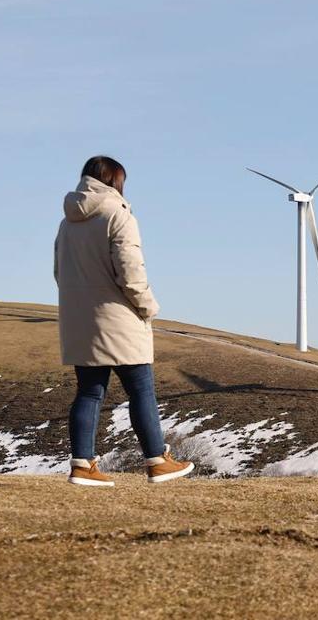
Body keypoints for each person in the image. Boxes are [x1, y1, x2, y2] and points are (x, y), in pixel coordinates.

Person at [54, 155, 194, 487]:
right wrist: (148, 306)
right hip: (119, 319)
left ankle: (82, 465)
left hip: (81, 322)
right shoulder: (118, 214)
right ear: (115, 182)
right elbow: (130, 272)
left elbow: (59, 272)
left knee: (89, 392)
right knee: (141, 389)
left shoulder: (67, 222)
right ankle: (157, 461)